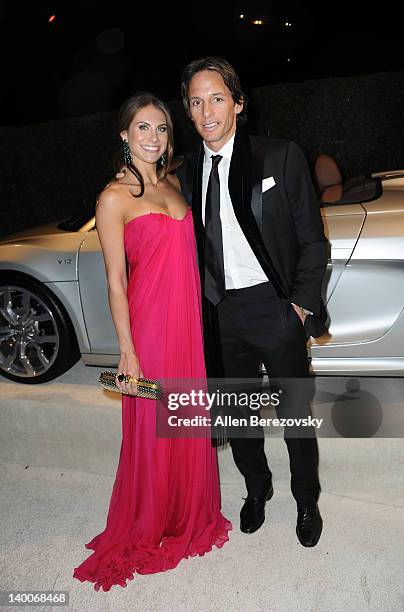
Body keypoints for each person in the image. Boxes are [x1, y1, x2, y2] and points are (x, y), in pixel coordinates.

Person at [73, 92, 231, 592]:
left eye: (161, 128)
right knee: (155, 421)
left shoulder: (173, 183)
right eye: (143, 128)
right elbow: (116, 281)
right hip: (150, 326)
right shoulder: (113, 197)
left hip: (186, 324)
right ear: (124, 135)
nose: (153, 137)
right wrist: (128, 351)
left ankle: (186, 512)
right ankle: (151, 518)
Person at [177, 57, 328, 546]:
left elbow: (312, 241)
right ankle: (256, 490)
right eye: (196, 101)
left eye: (216, 97)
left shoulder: (280, 157)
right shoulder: (186, 172)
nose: (206, 111)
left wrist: (299, 309)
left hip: (275, 307)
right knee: (238, 419)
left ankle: (306, 499)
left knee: (295, 417)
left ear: (239, 103)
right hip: (222, 314)